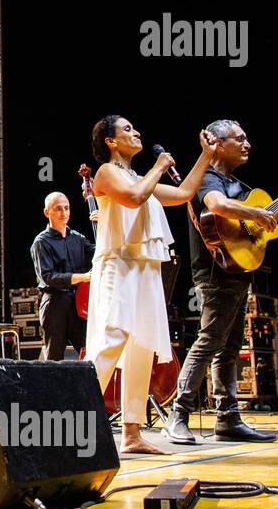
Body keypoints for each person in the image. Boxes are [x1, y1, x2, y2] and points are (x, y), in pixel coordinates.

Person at [165, 120, 278, 444]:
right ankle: (178, 414)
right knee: (209, 341)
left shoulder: (239, 186)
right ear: (218, 144)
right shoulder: (206, 178)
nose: (247, 144)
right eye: (239, 139)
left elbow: (263, 223)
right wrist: (254, 214)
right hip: (214, 272)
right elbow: (216, 205)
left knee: (229, 347)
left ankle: (227, 418)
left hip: (238, 270)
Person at [84, 115, 217, 454]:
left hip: (145, 268)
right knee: (112, 338)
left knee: (142, 345)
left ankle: (131, 433)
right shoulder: (106, 172)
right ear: (111, 141)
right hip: (118, 263)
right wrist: (158, 166)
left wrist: (205, 155)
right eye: (127, 129)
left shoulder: (140, 177)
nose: (136, 131)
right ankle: (74, 420)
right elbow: (132, 198)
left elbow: (186, 192)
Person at [30, 192, 95, 361]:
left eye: (66, 208)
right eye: (58, 209)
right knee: (54, 358)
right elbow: (49, 277)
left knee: (91, 353)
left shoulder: (78, 238)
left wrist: (103, 224)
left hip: (79, 302)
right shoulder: (41, 242)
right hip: (54, 304)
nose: (64, 213)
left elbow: (100, 253)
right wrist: (83, 277)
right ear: (47, 212)